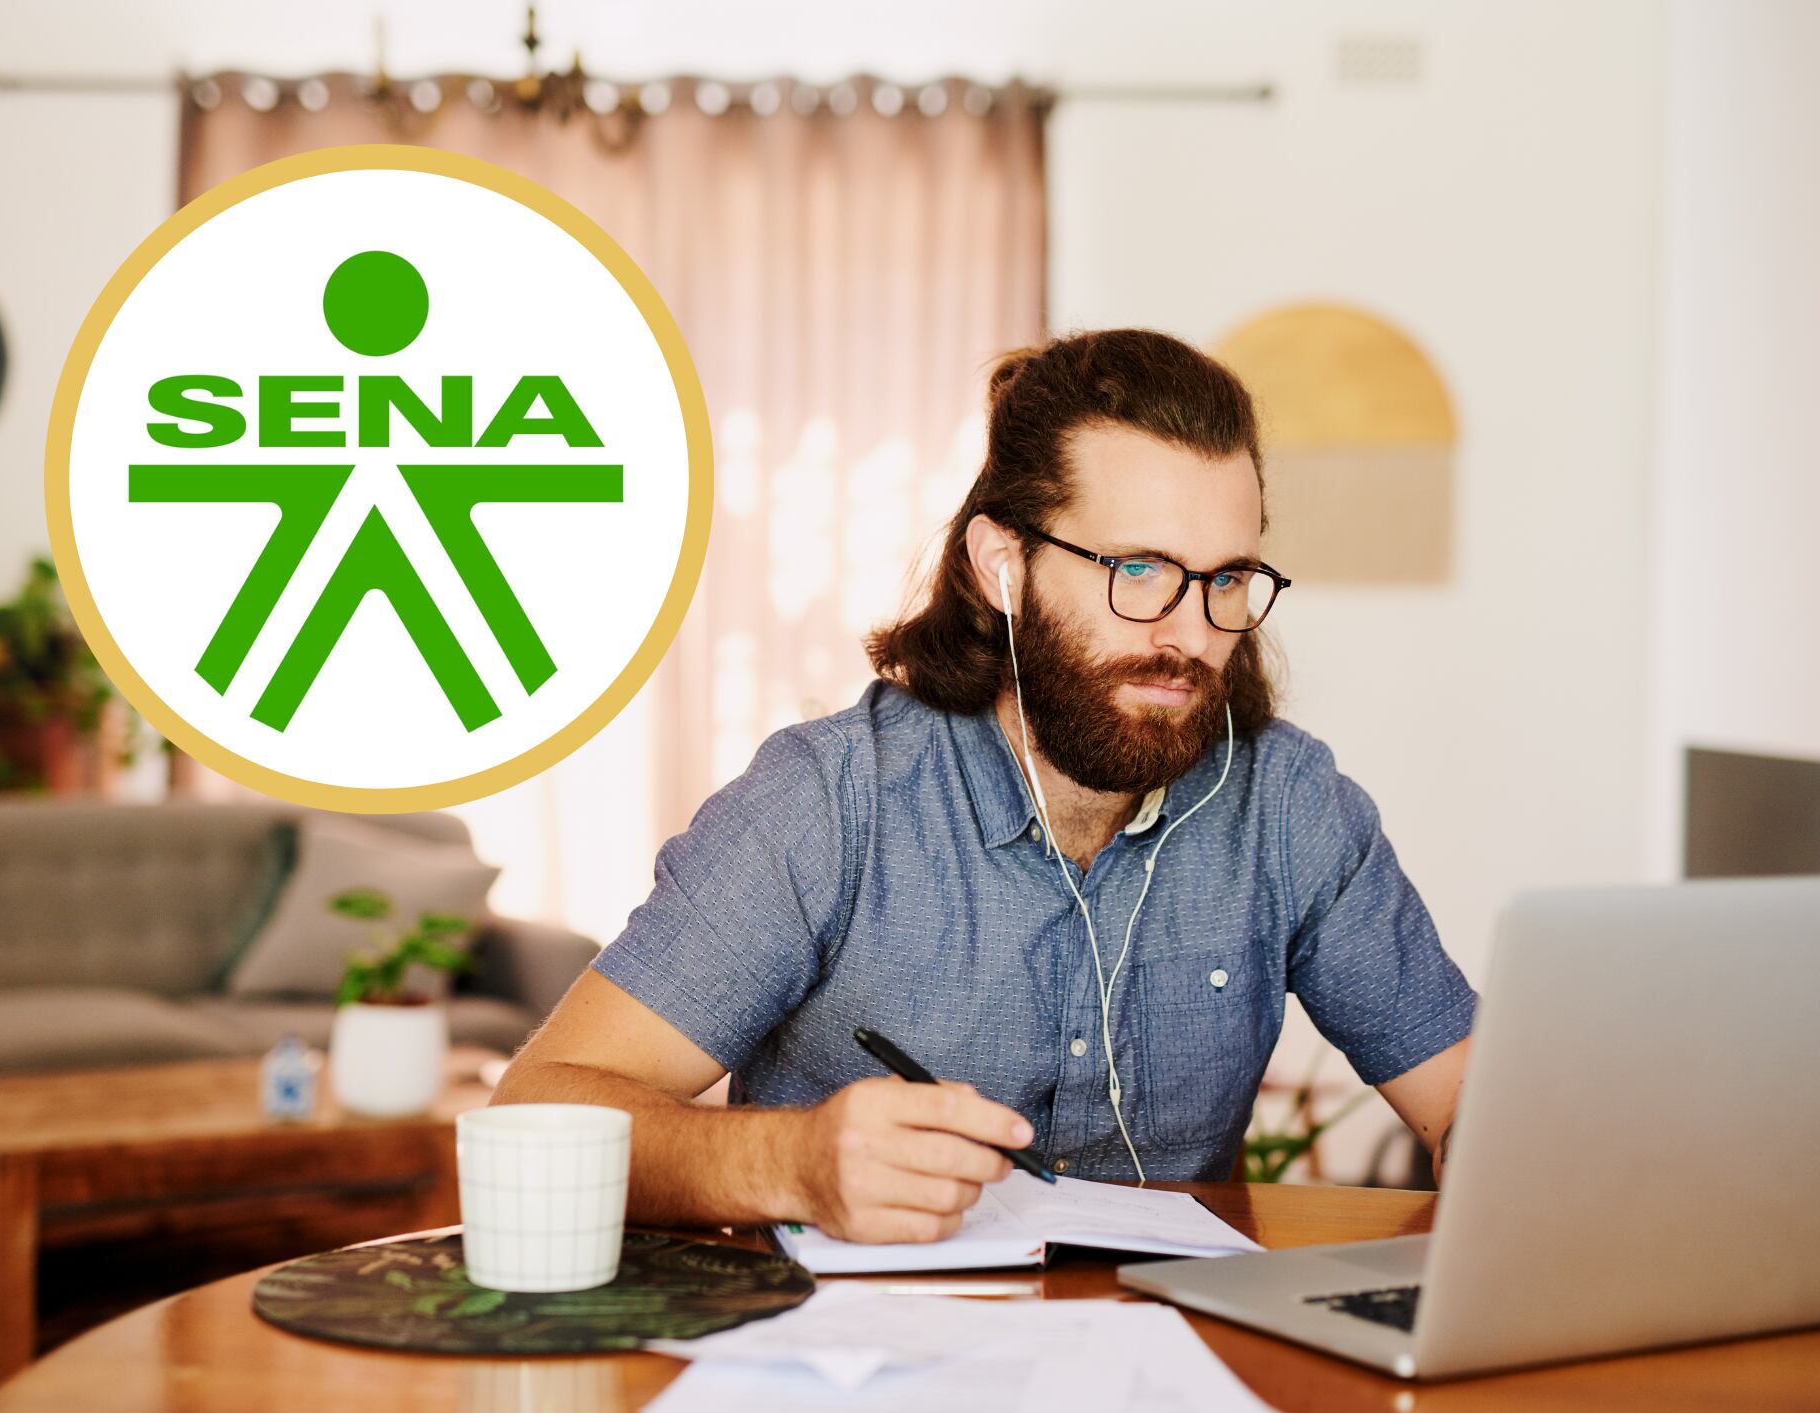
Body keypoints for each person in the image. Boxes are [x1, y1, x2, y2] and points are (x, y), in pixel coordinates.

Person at [491, 328, 1475, 1243]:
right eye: (1139, 569)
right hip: (850, 1384)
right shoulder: (828, 804)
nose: (1187, 632)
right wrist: (790, 1163)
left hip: (1171, 1380)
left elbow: (1471, 1101)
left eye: (1227, 580)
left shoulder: (1292, 808)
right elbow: (536, 1115)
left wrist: (1498, 1147)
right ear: (1003, 564)